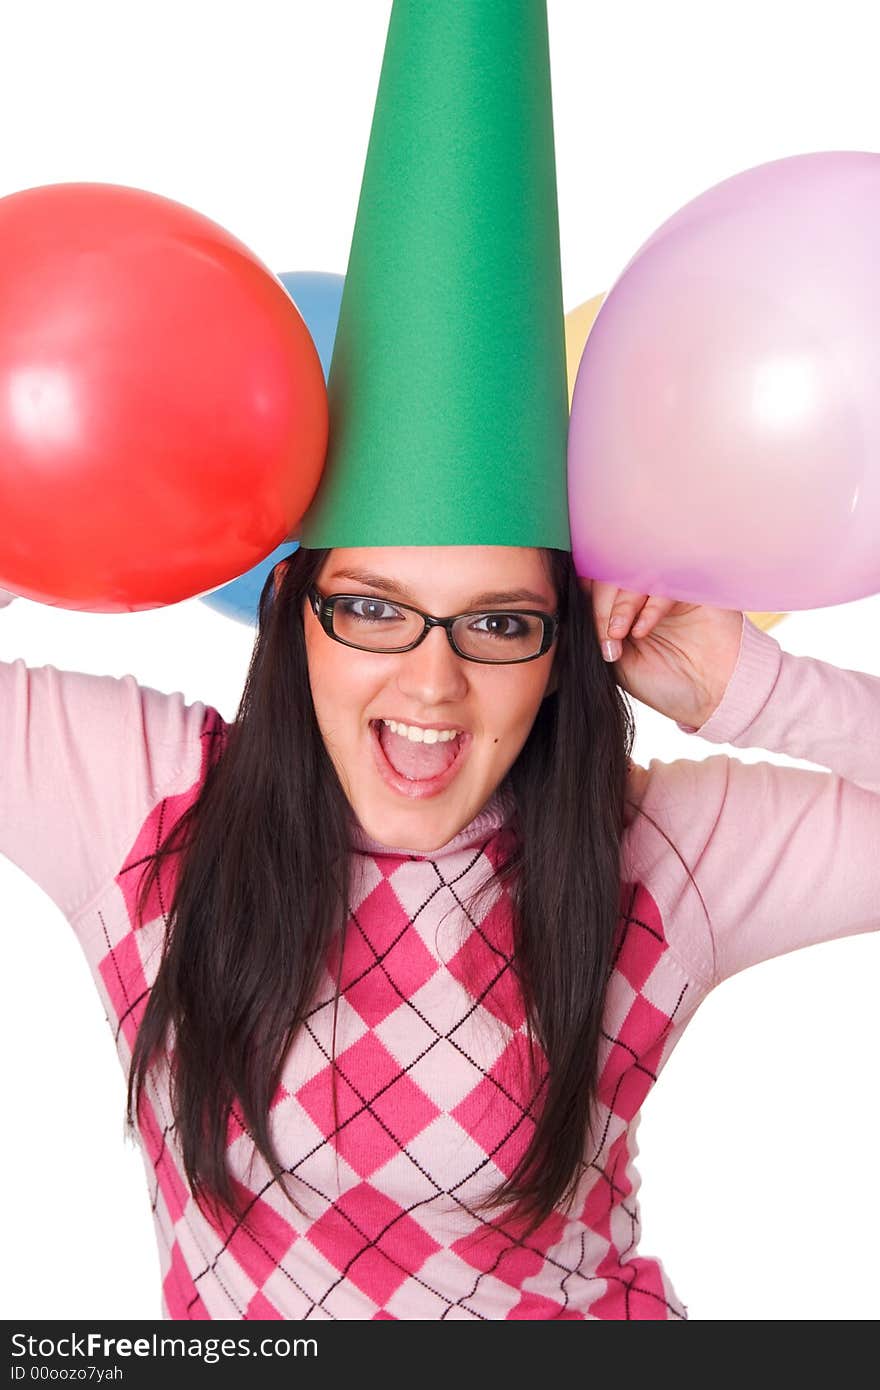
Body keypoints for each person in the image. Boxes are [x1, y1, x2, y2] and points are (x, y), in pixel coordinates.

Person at [1, 1, 877, 1320]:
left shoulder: (658, 855)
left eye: (501, 623)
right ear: (293, 607)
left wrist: (747, 686)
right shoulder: (137, 800)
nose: (430, 683)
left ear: (564, 643)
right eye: (374, 609)